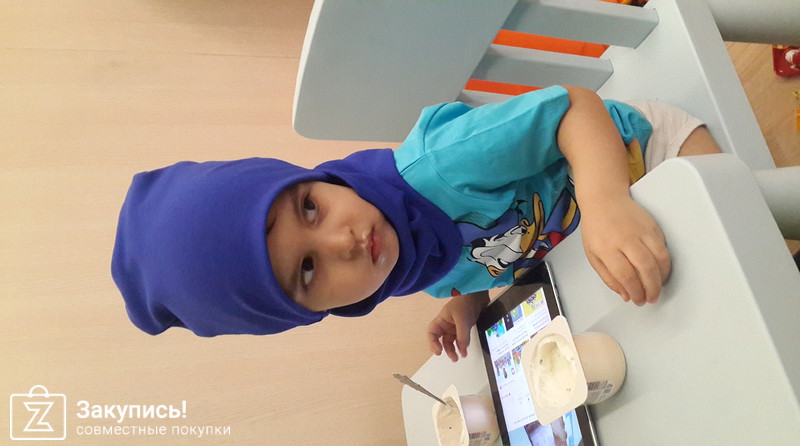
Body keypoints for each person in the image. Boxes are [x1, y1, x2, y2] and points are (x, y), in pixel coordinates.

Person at [111, 85, 720, 349]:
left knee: (740, 245)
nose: (344, 241)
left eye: (309, 208)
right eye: (308, 270)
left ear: (308, 179)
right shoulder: (393, 264)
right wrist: (466, 302)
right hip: (594, 240)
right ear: (310, 313)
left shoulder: (440, 165)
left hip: (641, 151)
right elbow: (476, 252)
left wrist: (608, 202)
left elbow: (575, 109)